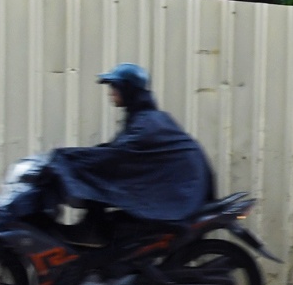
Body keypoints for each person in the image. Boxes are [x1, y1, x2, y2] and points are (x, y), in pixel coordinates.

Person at [46, 63, 213, 228]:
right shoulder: (143, 117)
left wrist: (68, 158)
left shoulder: (146, 122)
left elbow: (118, 155)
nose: (111, 93)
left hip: (182, 192)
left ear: (128, 89)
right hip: (182, 187)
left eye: (115, 87)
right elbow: (116, 149)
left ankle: (93, 228)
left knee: (102, 175)